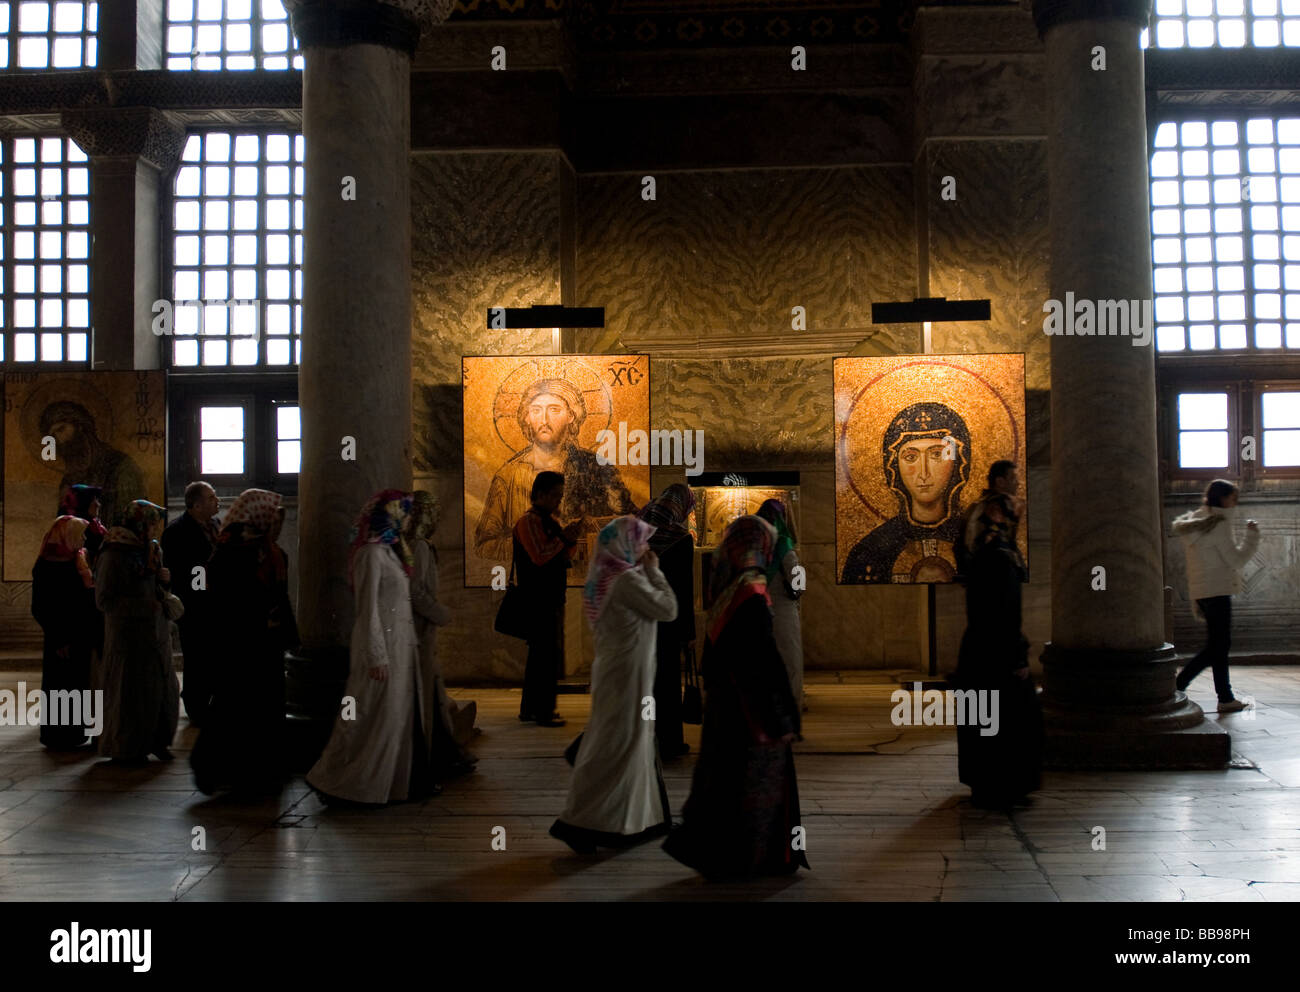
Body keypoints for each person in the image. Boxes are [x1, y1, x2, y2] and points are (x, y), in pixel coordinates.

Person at [663, 515, 810, 880]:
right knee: (755, 783)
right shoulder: (751, 592)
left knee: (722, 779)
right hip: (753, 709)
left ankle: (718, 852)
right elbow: (764, 657)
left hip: (725, 707)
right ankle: (759, 856)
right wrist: (784, 712)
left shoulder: (726, 586)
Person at [550, 515, 678, 854]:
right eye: (640, 541)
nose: (646, 548)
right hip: (629, 675)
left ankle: (632, 819)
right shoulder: (625, 581)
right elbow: (668, 610)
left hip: (618, 671)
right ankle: (583, 822)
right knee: (619, 746)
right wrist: (655, 572)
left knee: (624, 743)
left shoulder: (603, 576)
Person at [308, 490, 430, 804]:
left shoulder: (389, 551)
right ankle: (343, 782)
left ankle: (388, 785)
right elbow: (368, 608)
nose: (408, 518)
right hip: (381, 648)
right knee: (367, 717)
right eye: (404, 511)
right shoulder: (371, 554)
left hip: (399, 647)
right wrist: (376, 654)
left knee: (391, 718)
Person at [191, 489, 297, 794]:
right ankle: (228, 772)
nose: (278, 526)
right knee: (237, 706)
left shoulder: (272, 552)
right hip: (240, 643)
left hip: (266, 644)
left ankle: (263, 771)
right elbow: (223, 599)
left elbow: (280, 597)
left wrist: (288, 633)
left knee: (266, 707)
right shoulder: (231, 550)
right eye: (274, 519)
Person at [473, 378, 636, 563]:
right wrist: (537, 542)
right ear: (526, 417)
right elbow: (485, 544)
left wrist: (593, 530)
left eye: (554, 410)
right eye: (536, 410)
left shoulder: (596, 469)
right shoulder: (508, 476)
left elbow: (630, 521)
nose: (544, 420)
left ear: (571, 416)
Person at [951, 481, 1041, 810]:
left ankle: (985, 785)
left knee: (983, 718)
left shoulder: (981, 554)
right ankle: (1004, 787)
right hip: (998, 652)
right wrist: (1018, 656)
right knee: (1008, 720)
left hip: (978, 650)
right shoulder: (1001, 558)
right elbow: (1005, 612)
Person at [841, 402, 971, 583]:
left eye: (937, 455)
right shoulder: (871, 552)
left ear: (959, 462)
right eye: (911, 457)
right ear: (893, 467)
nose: (924, 473)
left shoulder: (974, 542)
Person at [95, 500, 179, 763]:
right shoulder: (114, 553)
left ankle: (157, 740)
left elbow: (155, 588)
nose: (155, 529)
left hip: (155, 633)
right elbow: (104, 600)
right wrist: (144, 606)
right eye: (152, 524)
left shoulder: (151, 549)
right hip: (127, 636)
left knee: (160, 690)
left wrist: (164, 582)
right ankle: (127, 747)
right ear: (139, 523)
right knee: (130, 693)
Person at [1171, 479, 1260, 714]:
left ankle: (1225, 697)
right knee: (1217, 647)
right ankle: (1179, 684)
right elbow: (1236, 560)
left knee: (1217, 646)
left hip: (1202, 592)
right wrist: (1252, 536)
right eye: (1233, 498)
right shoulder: (1218, 524)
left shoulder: (1196, 521)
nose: (1235, 503)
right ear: (1222, 498)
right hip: (1218, 590)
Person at [407, 490, 477, 779]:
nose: (437, 517)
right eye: (433, 512)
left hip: (423, 630)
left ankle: (444, 752)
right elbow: (415, 591)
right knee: (427, 694)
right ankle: (436, 757)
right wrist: (440, 613)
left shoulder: (419, 546)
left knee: (433, 693)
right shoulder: (419, 548)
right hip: (420, 630)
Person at [513, 471, 582, 727]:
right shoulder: (529, 522)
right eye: (555, 495)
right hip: (537, 599)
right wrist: (564, 538)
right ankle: (541, 711)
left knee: (544, 656)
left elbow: (562, 556)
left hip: (550, 597)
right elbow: (540, 555)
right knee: (543, 657)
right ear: (540, 494)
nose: (558, 501)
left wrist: (570, 539)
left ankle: (533, 709)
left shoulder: (548, 521)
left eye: (560, 496)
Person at [637, 482, 697, 759]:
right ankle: (669, 741)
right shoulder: (681, 539)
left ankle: (643, 739)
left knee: (644, 682)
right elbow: (684, 590)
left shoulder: (637, 531)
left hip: (639, 618)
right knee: (668, 682)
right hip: (667, 620)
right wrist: (689, 632)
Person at [31, 516, 98, 750]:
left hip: (79, 635)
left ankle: (76, 733)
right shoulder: (47, 566)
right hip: (61, 639)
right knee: (61, 686)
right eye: (80, 534)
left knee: (77, 685)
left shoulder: (76, 560)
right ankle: (59, 736)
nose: (83, 539)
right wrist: (59, 637)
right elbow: (41, 607)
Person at [161, 481, 221, 726]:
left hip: (214, 603)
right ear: (196, 505)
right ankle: (196, 705)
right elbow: (182, 571)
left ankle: (212, 701)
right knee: (196, 656)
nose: (217, 500)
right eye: (211, 497)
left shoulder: (216, 526)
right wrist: (203, 588)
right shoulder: (177, 531)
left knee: (213, 656)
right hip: (194, 605)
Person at [42, 400, 146, 531]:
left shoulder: (119, 466)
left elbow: (133, 520)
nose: (59, 439)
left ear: (80, 425)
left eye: (61, 429)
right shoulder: (69, 480)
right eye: (53, 436)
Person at [756, 498, 805, 713]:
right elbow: (798, 583)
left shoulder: (753, 544)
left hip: (757, 609)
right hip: (783, 609)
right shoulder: (784, 544)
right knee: (789, 658)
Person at [955, 460, 1022, 580]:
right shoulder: (999, 505)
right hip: (995, 578)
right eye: (1013, 478)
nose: (1017, 483)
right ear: (1000, 481)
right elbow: (1000, 547)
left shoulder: (975, 506)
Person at [58, 484, 108, 567]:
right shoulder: (71, 528)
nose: (98, 504)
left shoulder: (96, 527)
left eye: (97, 499)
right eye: (93, 500)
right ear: (83, 503)